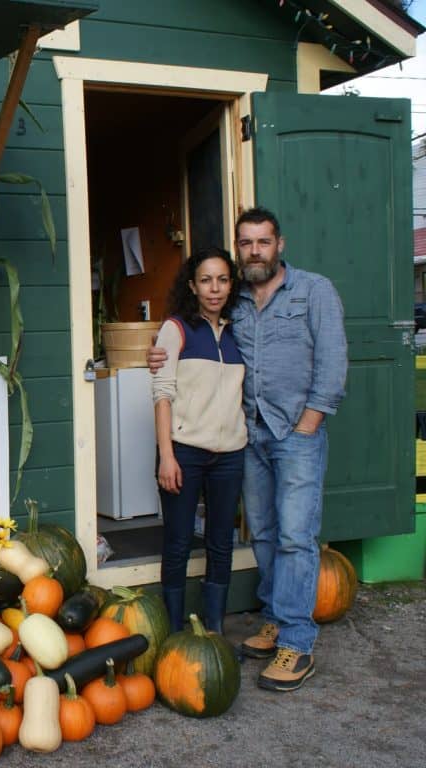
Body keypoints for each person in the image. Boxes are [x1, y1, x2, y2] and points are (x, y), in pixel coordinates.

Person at [149, 206, 347, 692]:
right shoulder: (234, 304)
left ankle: (297, 645)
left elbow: (334, 363)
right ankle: (277, 619)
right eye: (246, 243)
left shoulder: (313, 291)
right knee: (262, 533)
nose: (254, 251)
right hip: (251, 436)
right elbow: (187, 346)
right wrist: (155, 353)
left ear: (280, 244)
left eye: (263, 242)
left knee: (296, 537)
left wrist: (309, 423)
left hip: (295, 435)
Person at [152, 247, 246, 636]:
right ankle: (175, 635)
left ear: (231, 285)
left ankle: (215, 632)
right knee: (177, 541)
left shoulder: (240, 329)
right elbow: (162, 393)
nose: (214, 289)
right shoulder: (175, 329)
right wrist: (166, 456)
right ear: (192, 285)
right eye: (206, 280)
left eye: (222, 280)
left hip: (231, 454)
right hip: (184, 453)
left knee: (221, 542)